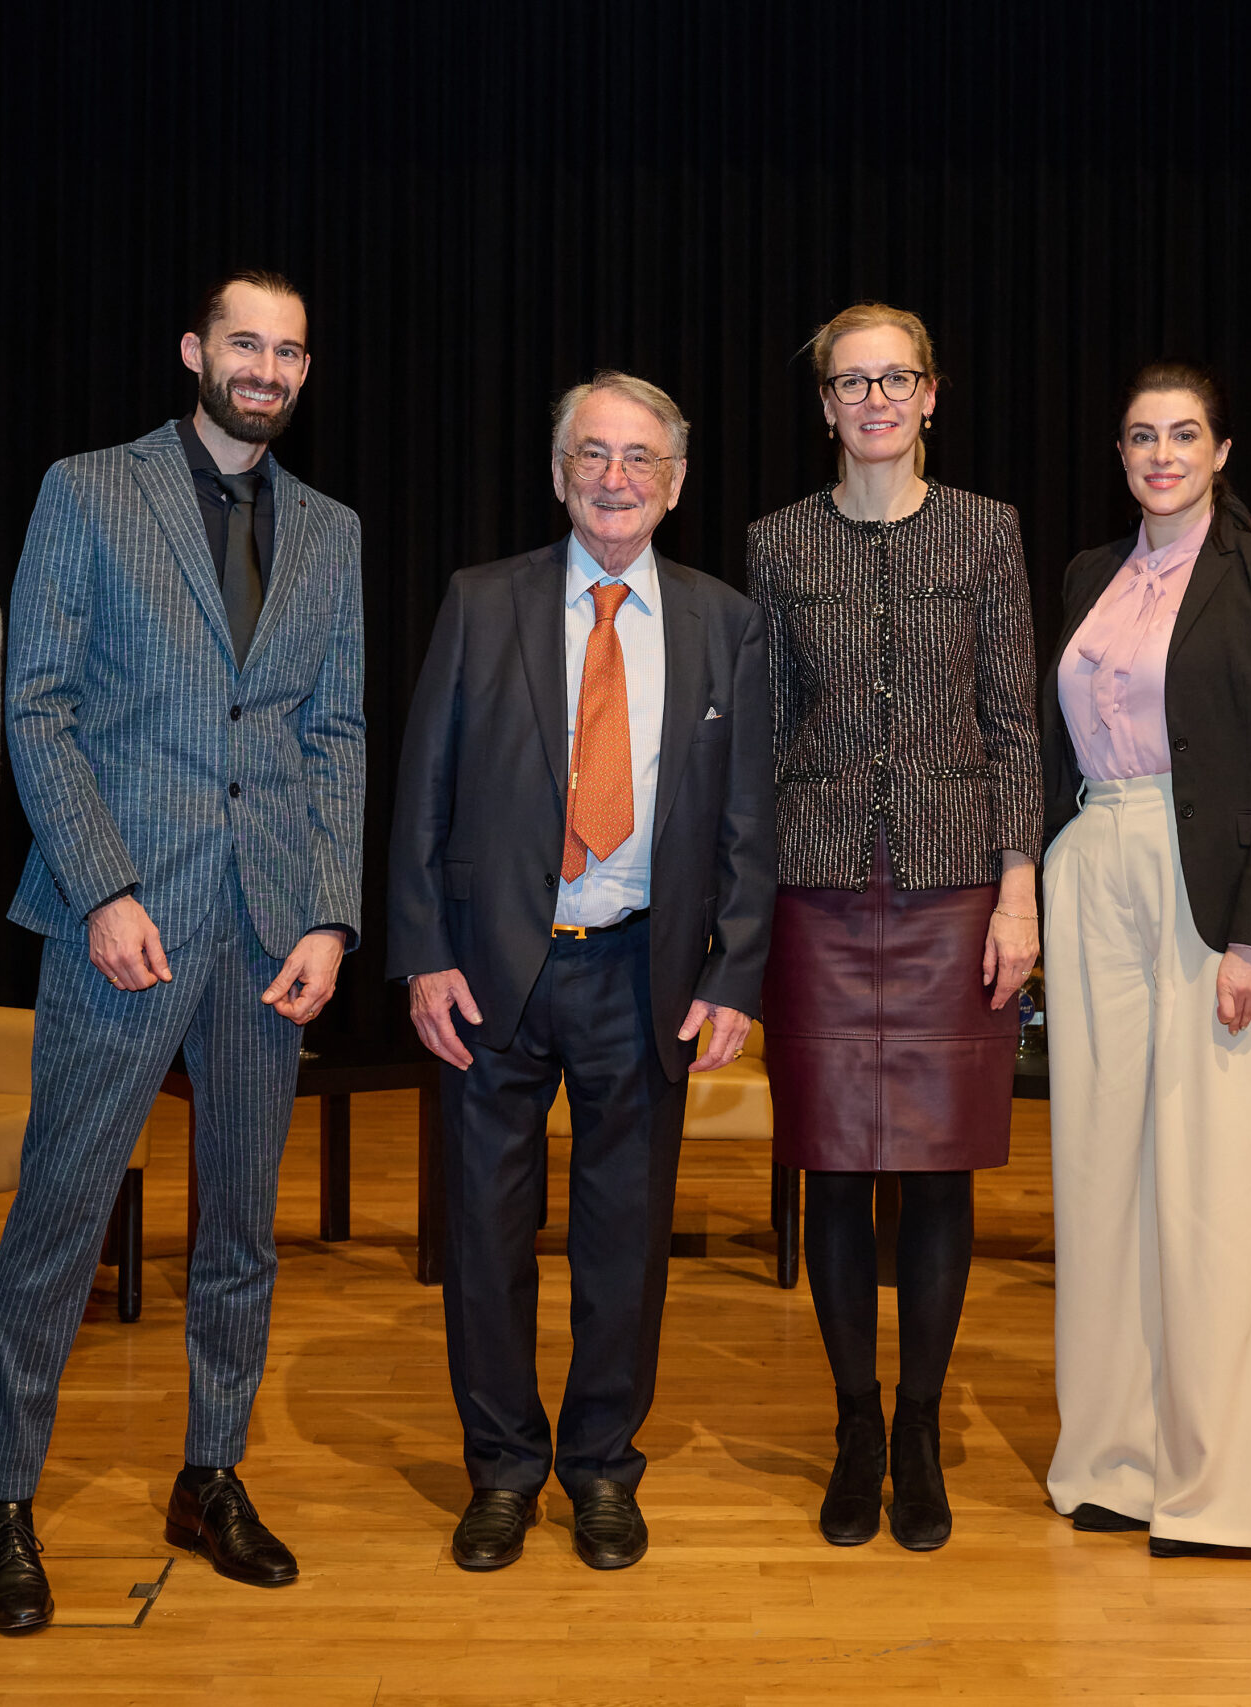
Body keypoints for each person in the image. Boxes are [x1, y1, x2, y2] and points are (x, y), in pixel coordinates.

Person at [0, 270, 364, 1631]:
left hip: (266, 932)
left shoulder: (330, 529)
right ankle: (3, 1500)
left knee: (241, 1227)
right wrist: (101, 885)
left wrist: (328, 909)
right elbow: (41, 703)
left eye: (289, 349)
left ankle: (213, 1472)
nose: (266, 365)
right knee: (62, 1216)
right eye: (245, 341)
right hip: (122, 923)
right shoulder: (89, 490)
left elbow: (334, 734)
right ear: (196, 350)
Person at [388, 371, 774, 1575]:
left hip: (642, 977)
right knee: (485, 1242)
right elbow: (421, 793)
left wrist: (737, 973)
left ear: (675, 483)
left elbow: (749, 824)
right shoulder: (480, 601)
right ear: (559, 475)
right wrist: (423, 957)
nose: (616, 478)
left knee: (624, 1240)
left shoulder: (726, 624)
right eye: (594, 456)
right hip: (495, 975)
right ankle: (501, 1469)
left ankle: (603, 1466)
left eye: (640, 459)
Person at [743, 303, 1040, 1552]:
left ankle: (919, 1426)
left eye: (895, 377)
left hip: (952, 888)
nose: (873, 398)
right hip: (814, 891)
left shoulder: (985, 535)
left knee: (932, 1171)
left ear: (932, 395)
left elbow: (1017, 724)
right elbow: (759, 739)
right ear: (823, 404)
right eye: (849, 381)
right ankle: (853, 1423)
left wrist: (1019, 891)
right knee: (834, 1162)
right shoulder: (775, 544)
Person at [1037, 361, 1251, 1558]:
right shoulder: (1085, 577)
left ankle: (1225, 1489)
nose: (1161, 454)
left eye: (1183, 435)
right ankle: (1114, 1458)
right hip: (1094, 868)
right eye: (1139, 437)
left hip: (1217, 892)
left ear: (1220, 451)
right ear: (1119, 456)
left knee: (1218, 1193)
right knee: (1101, 1179)